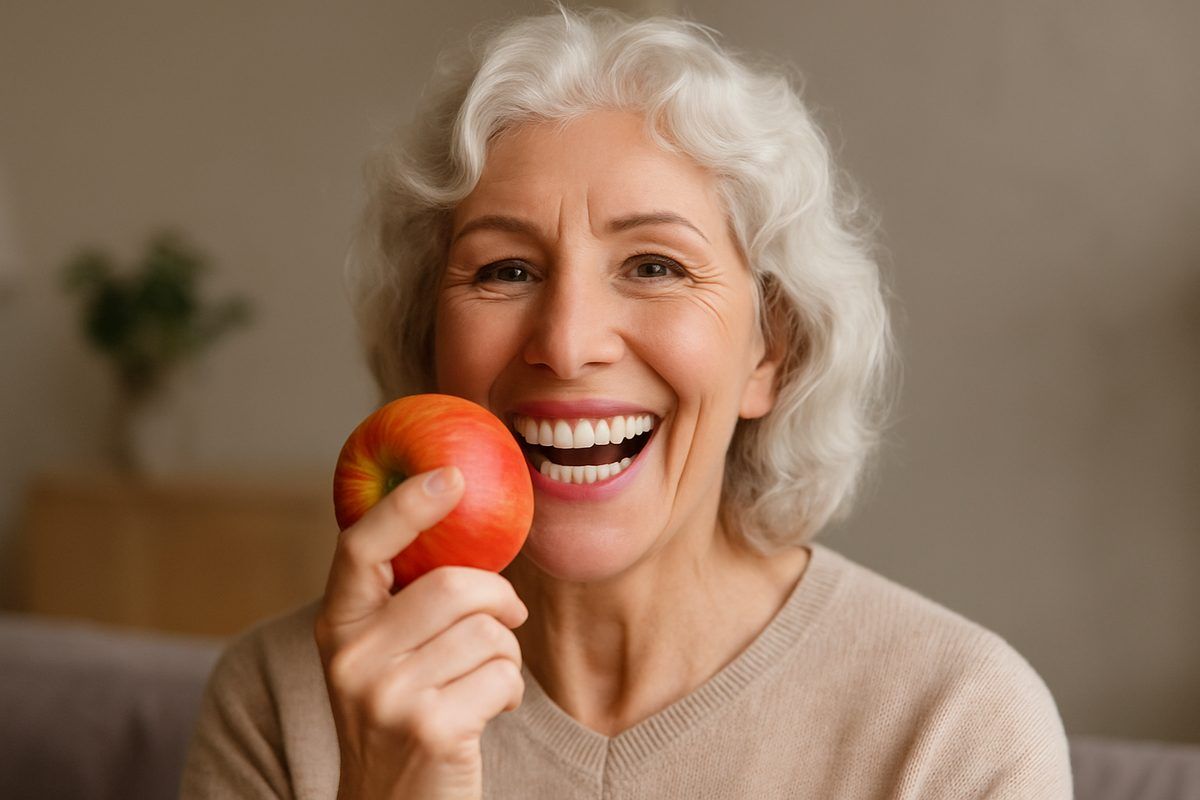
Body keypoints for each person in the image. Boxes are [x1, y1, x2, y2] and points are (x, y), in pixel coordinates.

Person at [181, 7, 1073, 798]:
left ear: (771, 351)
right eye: (506, 270)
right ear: (432, 345)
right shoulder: (284, 701)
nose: (568, 343)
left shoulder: (955, 725)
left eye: (654, 266)